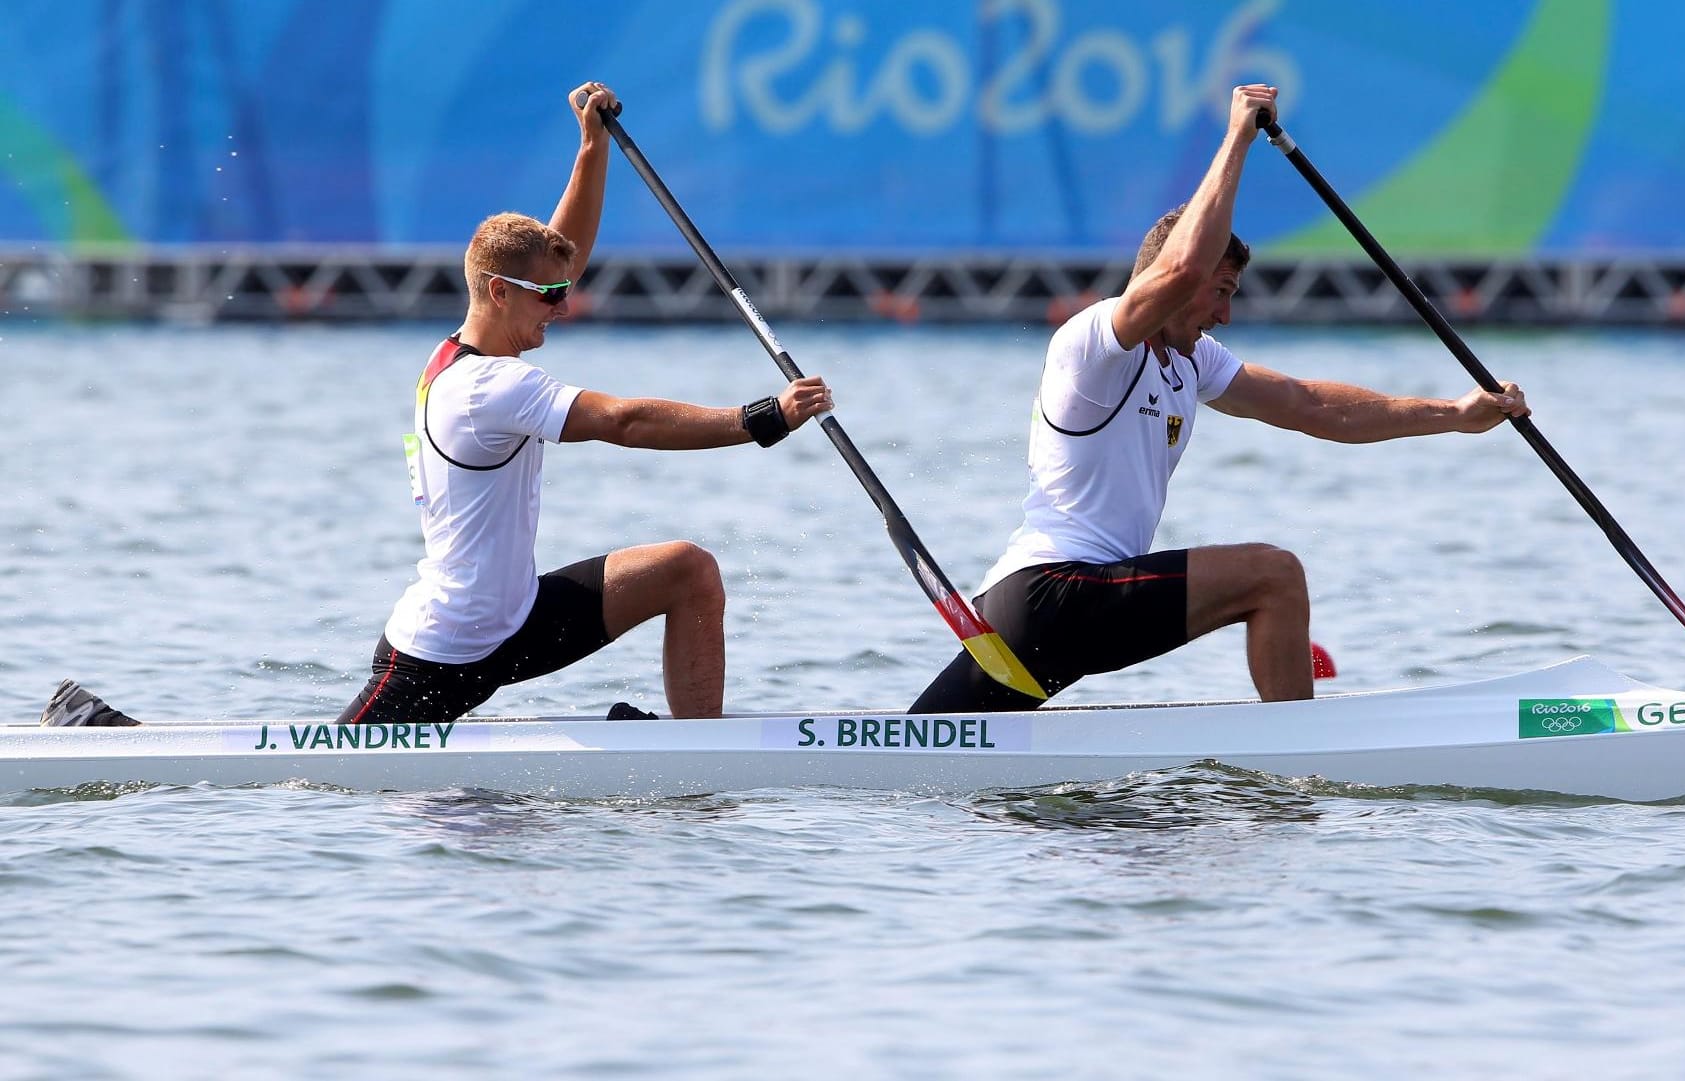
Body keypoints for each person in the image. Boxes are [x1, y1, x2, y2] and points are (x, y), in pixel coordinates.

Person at [42, 81, 833, 728]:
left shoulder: (472, 346)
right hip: (443, 650)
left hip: (516, 619)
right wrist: (761, 418)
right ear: (499, 291)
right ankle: (101, 735)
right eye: (548, 298)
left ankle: (698, 755)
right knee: (304, 784)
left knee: (688, 571)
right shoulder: (488, 386)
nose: (563, 305)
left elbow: (562, 253)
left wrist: (591, 150)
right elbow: (623, 421)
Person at [909, 83, 1529, 714]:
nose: (1226, 316)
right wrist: (1237, 135)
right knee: (1274, 577)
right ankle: (1301, 749)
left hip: (1038, 618)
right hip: (1052, 592)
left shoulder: (1191, 362)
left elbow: (1313, 406)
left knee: (920, 750)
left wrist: (1452, 415)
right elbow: (1179, 272)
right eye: (1222, 291)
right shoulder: (1094, 344)